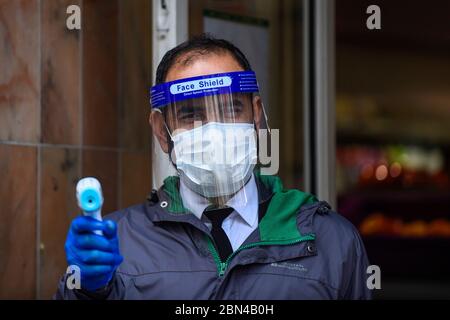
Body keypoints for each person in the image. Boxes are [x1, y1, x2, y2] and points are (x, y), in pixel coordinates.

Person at [55, 34, 371, 300]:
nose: (214, 131)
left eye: (231, 108)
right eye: (191, 114)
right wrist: (87, 290)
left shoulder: (331, 243)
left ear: (256, 115)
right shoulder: (121, 244)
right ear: (161, 131)